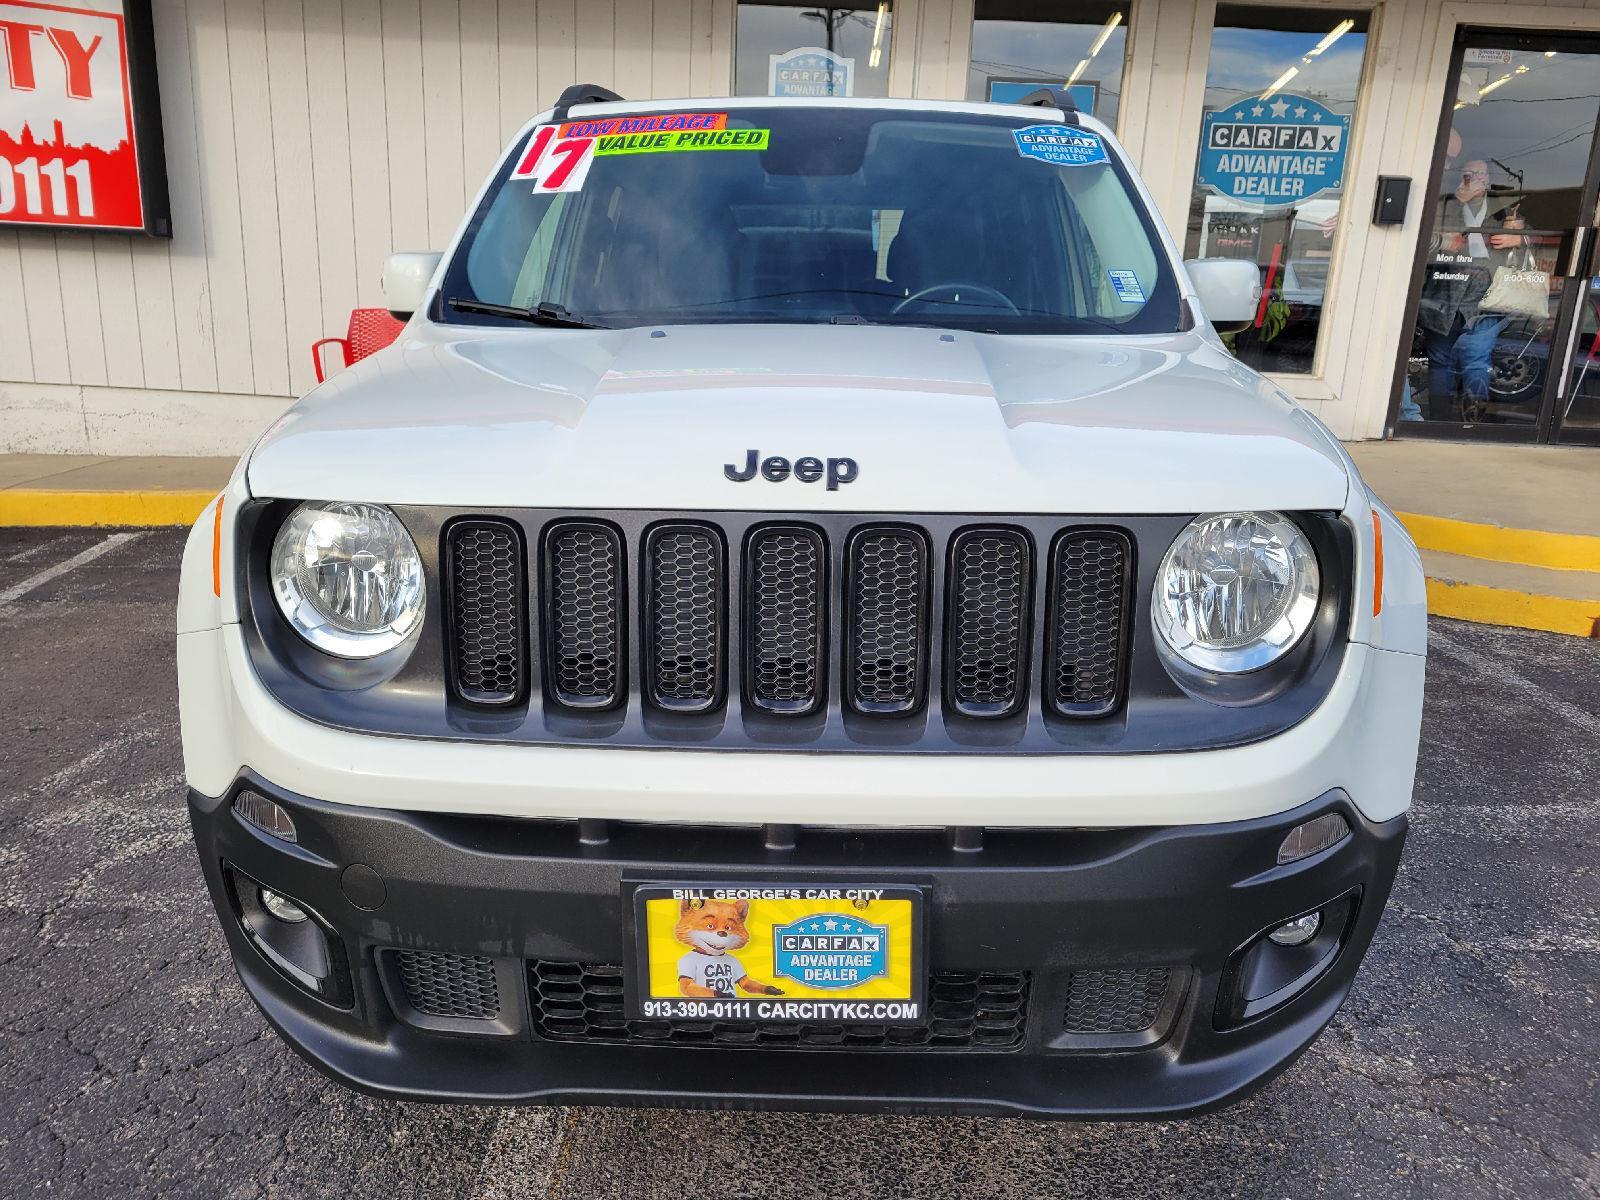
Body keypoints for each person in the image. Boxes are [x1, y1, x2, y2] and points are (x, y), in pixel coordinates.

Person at [1416, 149, 1526, 421]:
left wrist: (1521, 239)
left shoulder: (1506, 209)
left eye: (1482, 174)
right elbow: (1422, 242)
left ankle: (1472, 419)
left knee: (1476, 359)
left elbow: (1533, 243)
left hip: (1487, 297)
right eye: (1470, 174)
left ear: (1489, 179)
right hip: (1445, 293)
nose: (1477, 179)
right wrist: (1456, 201)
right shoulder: (1444, 205)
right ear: (1461, 178)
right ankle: (1439, 418)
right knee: (1440, 360)